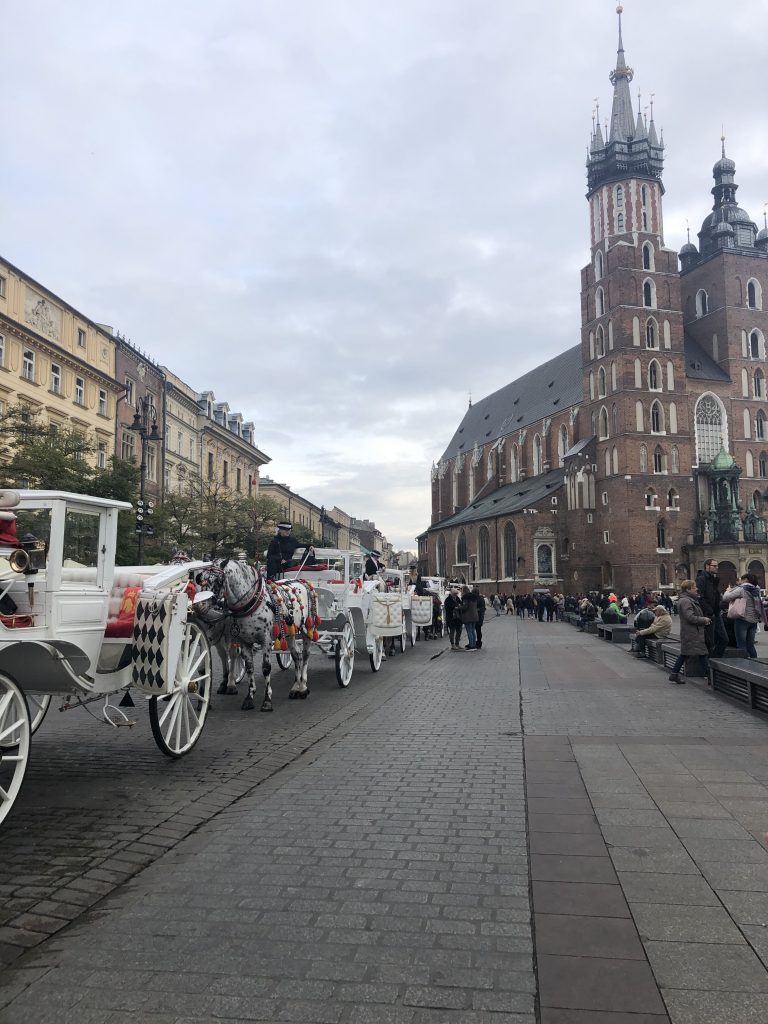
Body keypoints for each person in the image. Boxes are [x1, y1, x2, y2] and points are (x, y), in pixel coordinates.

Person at [668, 580, 711, 683]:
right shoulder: (686, 601)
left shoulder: (687, 600)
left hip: (691, 632)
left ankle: (674, 674)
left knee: (686, 654)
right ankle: (710, 677)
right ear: (688, 589)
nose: (696, 589)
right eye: (694, 587)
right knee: (702, 654)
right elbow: (690, 617)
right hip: (692, 633)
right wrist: (703, 620)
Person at [722, 573, 766, 659]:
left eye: (742, 579)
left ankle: (743, 665)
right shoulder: (756, 589)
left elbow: (726, 598)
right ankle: (755, 663)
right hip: (753, 620)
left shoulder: (742, 589)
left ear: (746, 580)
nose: (740, 582)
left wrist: (728, 590)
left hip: (743, 619)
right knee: (750, 645)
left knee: (741, 645)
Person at [695, 559, 728, 658]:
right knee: (710, 641)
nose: (717, 567)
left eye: (717, 566)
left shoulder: (713, 579)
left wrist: (720, 606)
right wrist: (709, 611)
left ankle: (714, 661)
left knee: (724, 639)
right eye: (714, 566)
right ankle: (708, 665)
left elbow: (715, 596)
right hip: (708, 614)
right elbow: (700, 597)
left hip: (716, 613)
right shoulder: (702, 578)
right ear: (707, 566)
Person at [460, 585, 479, 650]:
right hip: (475, 616)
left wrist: (459, 607)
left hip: (468, 616)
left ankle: (471, 645)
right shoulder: (474, 597)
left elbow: (465, 607)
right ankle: (474, 644)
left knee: (469, 631)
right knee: (473, 631)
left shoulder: (466, 597)